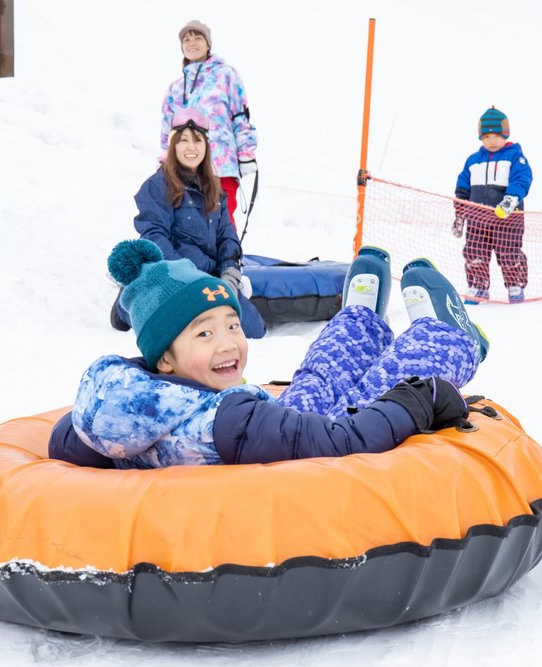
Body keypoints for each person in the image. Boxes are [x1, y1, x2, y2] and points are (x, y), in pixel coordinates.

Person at [50, 241, 490, 469]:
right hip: (271, 447)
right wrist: (414, 400)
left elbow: (65, 440)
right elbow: (345, 442)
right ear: (165, 358)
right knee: (369, 398)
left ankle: (360, 320)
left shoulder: (121, 409)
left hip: (253, 430)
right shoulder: (232, 421)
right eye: (204, 333)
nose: (227, 343)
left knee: (314, 385)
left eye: (232, 325)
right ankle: (447, 338)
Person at [113, 107, 266, 338]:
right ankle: (129, 299)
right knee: (181, 328)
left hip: (209, 277)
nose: (191, 147)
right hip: (173, 274)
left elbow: (228, 236)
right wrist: (184, 273)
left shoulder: (216, 191)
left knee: (253, 328)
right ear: (173, 146)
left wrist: (230, 271)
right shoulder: (157, 185)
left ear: (206, 146)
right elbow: (154, 236)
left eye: (197, 141)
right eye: (183, 140)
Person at [160, 19, 257, 229]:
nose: (191, 43)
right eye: (186, 39)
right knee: (188, 223)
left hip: (220, 164)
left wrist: (246, 154)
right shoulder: (175, 88)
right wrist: (165, 159)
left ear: (208, 44)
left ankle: (228, 260)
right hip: (185, 166)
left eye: (197, 37)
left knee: (221, 221)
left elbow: (240, 115)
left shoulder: (226, 75)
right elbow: (167, 130)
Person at [452, 106, 534, 304]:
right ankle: (478, 287)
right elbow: (463, 188)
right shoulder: (473, 161)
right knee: (475, 251)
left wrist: (510, 200)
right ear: (481, 137)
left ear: (505, 134)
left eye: (497, 135)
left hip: (507, 218)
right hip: (478, 218)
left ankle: (515, 286)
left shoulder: (515, 157)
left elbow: (522, 179)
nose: (492, 141)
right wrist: (460, 215)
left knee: (509, 252)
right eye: (487, 136)